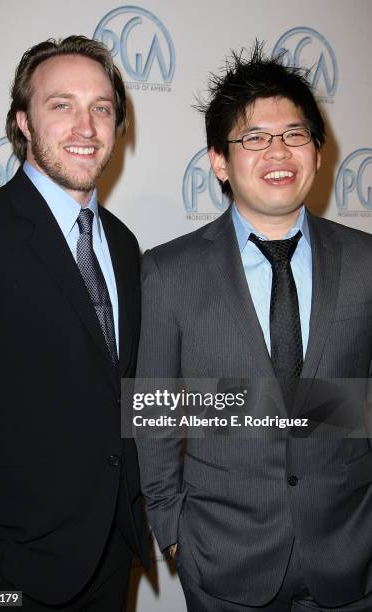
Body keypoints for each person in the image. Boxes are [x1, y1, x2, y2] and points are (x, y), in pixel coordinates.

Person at [135, 43, 372, 611]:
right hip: (222, 559)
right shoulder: (168, 272)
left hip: (352, 554)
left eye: (294, 134)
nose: (278, 151)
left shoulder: (366, 263)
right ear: (219, 161)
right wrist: (172, 529)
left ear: (318, 151)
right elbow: (156, 411)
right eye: (254, 138)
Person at [0, 35, 149, 611]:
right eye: (61, 105)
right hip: (10, 574)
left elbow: (123, 394)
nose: (86, 126)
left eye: (102, 108)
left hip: (110, 556)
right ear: (23, 121)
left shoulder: (122, 244)